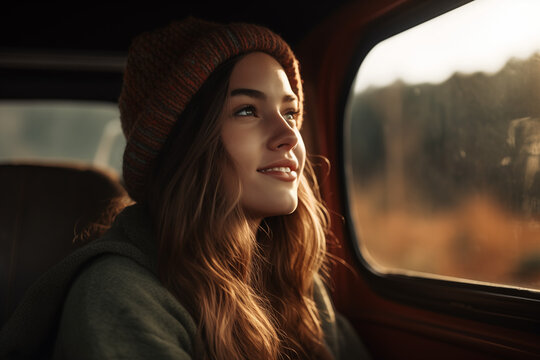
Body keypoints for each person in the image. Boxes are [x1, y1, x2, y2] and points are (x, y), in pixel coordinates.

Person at [0, 17, 371, 360]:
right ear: (185, 144)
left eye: (289, 113)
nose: (289, 135)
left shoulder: (295, 283)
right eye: (247, 111)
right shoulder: (120, 294)